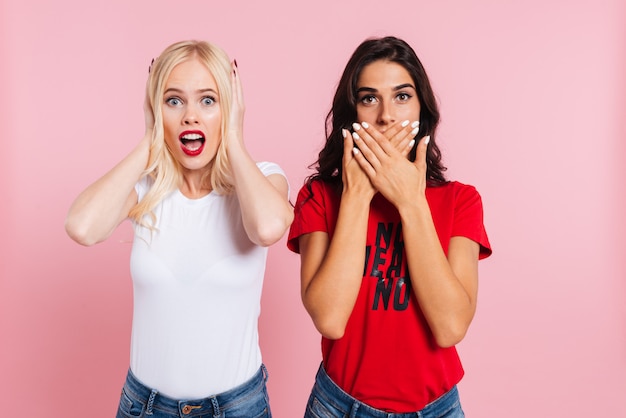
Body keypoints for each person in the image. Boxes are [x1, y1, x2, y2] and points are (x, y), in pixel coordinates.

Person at [65, 40, 293, 418]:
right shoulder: (145, 189)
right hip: (144, 407)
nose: (191, 116)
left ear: (229, 108)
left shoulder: (264, 179)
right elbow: (82, 227)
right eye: (174, 101)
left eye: (208, 100)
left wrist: (233, 137)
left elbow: (268, 228)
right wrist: (150, 137)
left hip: (237, 408)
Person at [287, 36, 492, 417]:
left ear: (422, 109)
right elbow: (330, 320)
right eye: (369, 98)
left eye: (401, 96)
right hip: (339, 405)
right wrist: (356, 197)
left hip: (437, 408)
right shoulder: (319, 197)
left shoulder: (461, 201)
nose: (386, 116)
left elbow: (449, 327)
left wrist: (411, 201)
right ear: (352, 115)